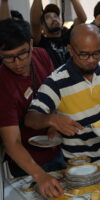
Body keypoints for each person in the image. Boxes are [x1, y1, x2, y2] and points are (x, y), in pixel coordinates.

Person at [25, 24, 100, 162]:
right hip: (79, 163)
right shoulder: (56, 82)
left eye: (97, 53)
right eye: (84, 54)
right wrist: (51, 120)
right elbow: (30, 118)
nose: (91, 60)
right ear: (70, 50)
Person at [0, 19, 65, 198]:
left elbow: (56, 97)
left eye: (22, 53)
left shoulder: (42, 55)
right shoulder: (3, 83)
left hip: (56, 150)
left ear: (30, 42)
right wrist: (39, 176)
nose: (18, 62)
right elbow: (11, 142)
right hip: (27, 164)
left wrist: (53, 125)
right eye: (8, 57)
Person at [30, 0, 87, 68]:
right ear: (42, 26)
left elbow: (82, 19)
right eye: (48, 17)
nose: (54, 19)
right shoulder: (41, 42)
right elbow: (35, 23)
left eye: (56, 16)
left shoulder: (69, 36)